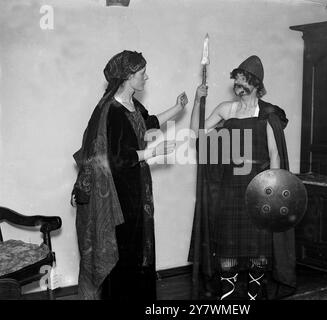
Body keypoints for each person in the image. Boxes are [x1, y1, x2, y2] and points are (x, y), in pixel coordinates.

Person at [71, 50, 188, 300]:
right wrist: (152, 152)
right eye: (142, 73)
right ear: (128, 76)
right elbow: (116, 159)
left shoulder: (132, 104)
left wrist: (177, 108)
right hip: (119, 193)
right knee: (125, 249)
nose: (146, 77)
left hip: (137, 186)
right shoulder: (110, 111)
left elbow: (147, 122)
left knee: (140, 246)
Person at [188, 55, 296, 300]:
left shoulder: (268, 114)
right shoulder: (227, 109)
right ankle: (228, 295)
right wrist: (197, 100)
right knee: (228, 247)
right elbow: (197, 132)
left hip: (259, 189)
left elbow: (275, 155)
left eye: (243, 79)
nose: (237, 83)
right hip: (230, 188)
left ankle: (254, 294)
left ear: (256, 84)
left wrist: (273, 191)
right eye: (236, 78)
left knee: (259, 247)